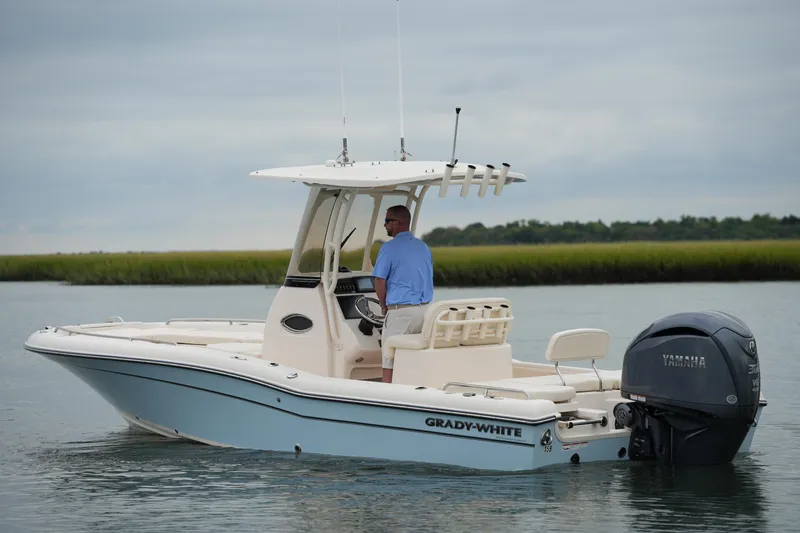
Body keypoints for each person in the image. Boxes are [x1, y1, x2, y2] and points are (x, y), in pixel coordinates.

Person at [372, 205, 434, 383]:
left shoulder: (388, 248)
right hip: (426, 312)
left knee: (389, 360)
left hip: (401, 313)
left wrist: (383, 305)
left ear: (397, 223)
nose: (384, 225)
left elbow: (379, 280)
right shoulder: (423, 247)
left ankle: (386, 394)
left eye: (387, 221)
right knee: (413, 359)